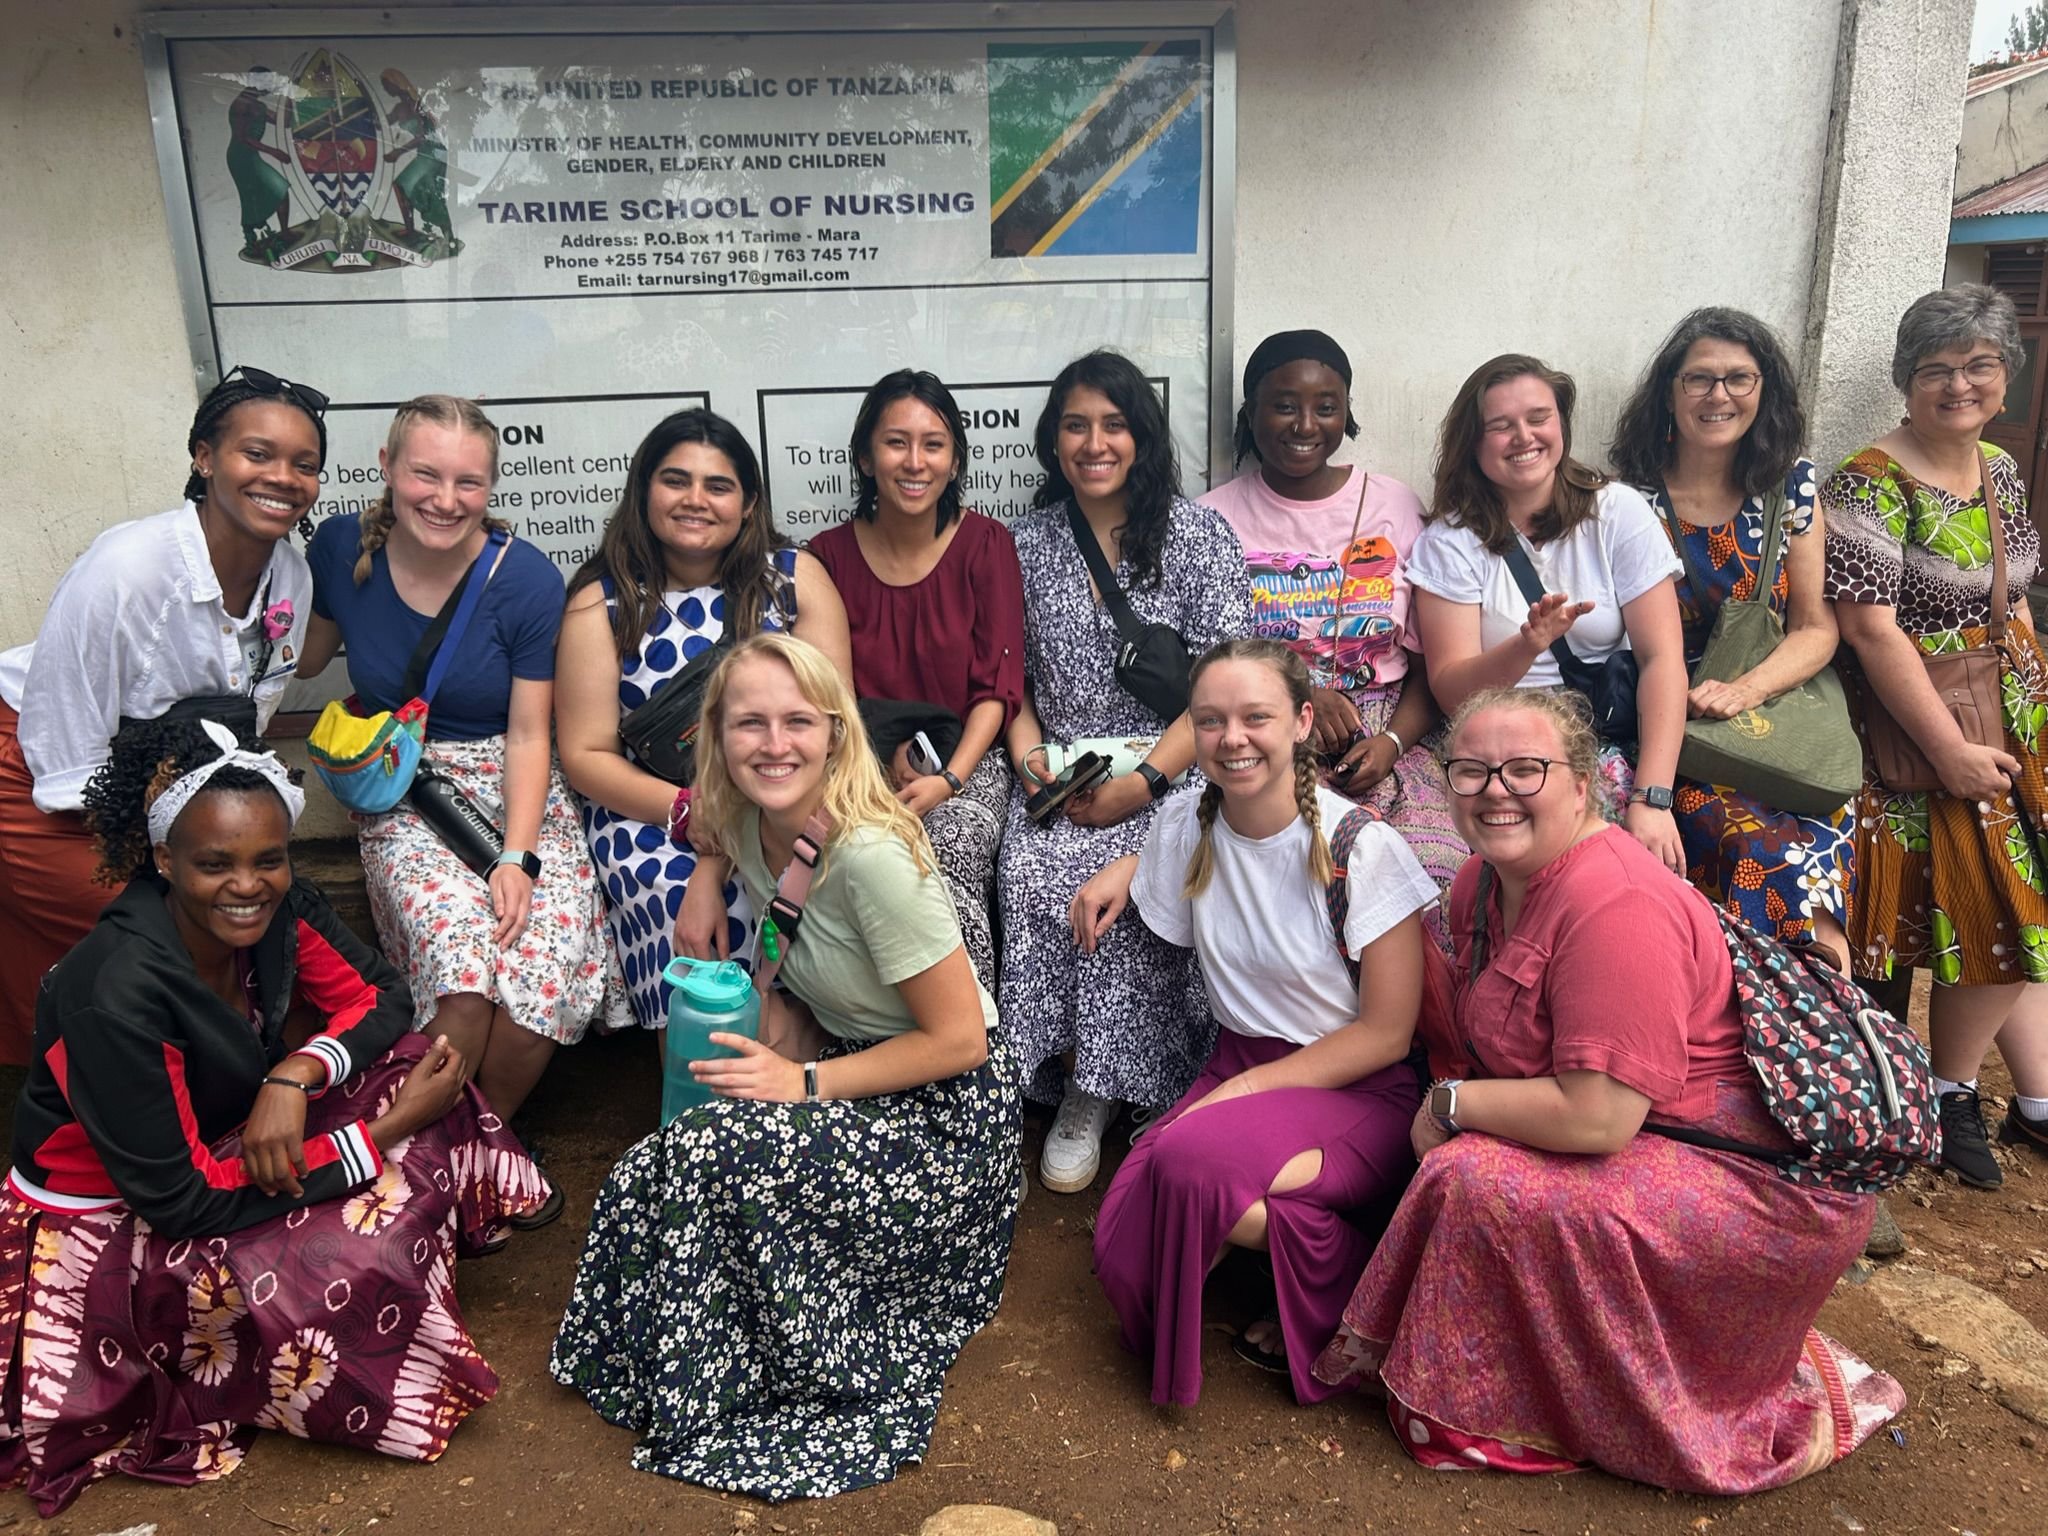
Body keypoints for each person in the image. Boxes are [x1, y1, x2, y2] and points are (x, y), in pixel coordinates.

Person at [1311, 687, 1903, 1492]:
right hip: (1666, 1140)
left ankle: (1536, 1409)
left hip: (1756, 1187)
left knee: (1471, 1175)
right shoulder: (1481, 885)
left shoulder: (1613, 900)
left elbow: (1599, 1116)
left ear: (1584, 783)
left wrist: (1449, 1105)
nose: (1495, 791)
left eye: (1526, 770)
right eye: (1472, 772)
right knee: (1469, 1166)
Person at [0, 715, 548, 1516]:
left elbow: (381, 1000)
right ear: (163, 861)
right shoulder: (116, 993)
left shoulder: (272, 913)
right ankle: (371, 1356)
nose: (247, 884)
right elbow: (183, 1200)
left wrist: (295, 1073)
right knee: (356, 1246)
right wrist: (379, 1136)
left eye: (268, 859)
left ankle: (404, 1270)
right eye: (215, 863)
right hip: (114, 1232)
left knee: (415, 1069)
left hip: (217, 1155)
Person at [554, 634, 1019, 1500]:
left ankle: (740, 1374)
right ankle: (705, 1354)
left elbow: (961, 1043)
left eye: (799, 722)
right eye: (750, 724)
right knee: (650, 1168)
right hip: (848, 1064)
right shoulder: (741, 815)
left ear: (836, 734)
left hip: (943, 1121)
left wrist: (800, 1084)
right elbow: (724, 838)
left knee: (707, 1155)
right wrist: (703, 876)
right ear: (716, 739)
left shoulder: (877, 859)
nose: (775, 744)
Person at [1078, 639, 1435, 1407]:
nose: (1232, 738)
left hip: (1357, 1085)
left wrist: (1243, 1094)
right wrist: (1129, 866)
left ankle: (1369, 1277)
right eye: (1210, 720)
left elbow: (1387, 1034)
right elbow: (1205, 865)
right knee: (1120, 1250)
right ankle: (1311, 1255)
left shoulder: (1362, 849)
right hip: (1239, 1063)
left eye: (1256, 717)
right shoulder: (1186, 822)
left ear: (1303, 721)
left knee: (1187, 1171)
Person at [302, 394, 621, 1142]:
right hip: (406, 785)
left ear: (491, 487)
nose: (446, 501)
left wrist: (517, 855)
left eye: (468, 483)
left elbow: (527, 732)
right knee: (464, 976)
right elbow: (304, 656)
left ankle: (470, 1155)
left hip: (515, 786)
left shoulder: (527, 581)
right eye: (425, 475)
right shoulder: (341, 548)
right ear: (385, 467)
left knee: (539, 966)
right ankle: (435, 1161)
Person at [0, 365, 324, 1066]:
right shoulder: (127, 569)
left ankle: (288, 1084)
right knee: (176, 924)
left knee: (273, 914)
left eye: (305, 464)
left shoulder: (291, 578)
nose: (283, 478)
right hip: (39, 779)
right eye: (258, 454)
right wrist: (169, 852)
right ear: (204, 457)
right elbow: (64, 759)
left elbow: (239, 736)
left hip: (161, 787)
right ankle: (158, 1103)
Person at [997, 350, 1255, 1194]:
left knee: (1148, 887)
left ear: (1141, 435)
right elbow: (1010, 684)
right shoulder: (1021, 545)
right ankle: (1064, 1082)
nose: (1094, 442)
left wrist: (1142, 785)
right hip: (1061, 773)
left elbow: (1225, 688)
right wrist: (1037, 767)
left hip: (1178, 763)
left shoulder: (1195, 537)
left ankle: (1113, 1085)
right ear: (1052, 439)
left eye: (1113, 424)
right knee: (1035, 872)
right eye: (1076, 425)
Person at [1823, 283, 2048, 1189]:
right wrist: (1949, 749)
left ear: (2007, 374)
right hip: (1922, 730)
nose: (1960, 383)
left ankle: (2010, 1095)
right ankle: (1945, 1090)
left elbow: (2016, 591)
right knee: (1993, 914)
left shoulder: (1997, 467)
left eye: (1981, 364)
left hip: (2013, 715)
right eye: (1937, 369)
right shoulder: (1867, 480)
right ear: (1904, 382)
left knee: (2014, 921)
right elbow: (1870, 630)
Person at [556, 408, 850, 1032]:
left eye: (718, 486)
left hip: (789, 799)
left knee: (807, 889)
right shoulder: (602, 601)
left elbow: (834, 727)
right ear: (643, 492)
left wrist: (724, 846)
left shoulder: (794, 582)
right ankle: (696, 1105)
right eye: (675, 481)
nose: (696, 500)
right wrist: (691, 815)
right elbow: (585, 754)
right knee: (674, 902)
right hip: (654, 812)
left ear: (748, 503)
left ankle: (798, 1089)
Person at [1612, 307, 1853, 967]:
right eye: (1699, 379)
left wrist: (1743, 691)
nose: (1719, 396)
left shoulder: (1790, 487)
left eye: (1739, 379)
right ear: (1669, 391)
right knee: (1747, 845)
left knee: (1816, 848)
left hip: (1770, 717)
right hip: (1666, 729)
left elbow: (1815, 625)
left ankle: (1829, 1031)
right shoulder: (1628, 496)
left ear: (1764, 390)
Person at [1201, 329, 1465, 920]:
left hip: (1391, 732)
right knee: (1306, 882)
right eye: (1285, 405)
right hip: (1270, 742)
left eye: (1326, 407)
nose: (1305, 424)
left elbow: (1428, 667)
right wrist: (1300, 693)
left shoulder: (1393, 503)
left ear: (1346, 414)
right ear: (1252, 413)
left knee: (1433, 874)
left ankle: (1417, 1014)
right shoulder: (1211, 520)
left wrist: (1393, 744)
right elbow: (1207, 666)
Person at [1409, 353, 1688, 870]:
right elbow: (1449, 688)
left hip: (1604, 740)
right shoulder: (1450, 541)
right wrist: (1526, 646)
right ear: (1473, 442)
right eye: (1500, 426)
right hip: (1495, 744)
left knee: (1617, 869)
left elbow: (1662, 660)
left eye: (1538, 418)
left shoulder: (1619, 512)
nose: (1524, 437)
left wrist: (1653, 798)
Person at [809, 370, 1026, 989]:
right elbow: (828, 695)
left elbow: (998, 689)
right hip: (857, 760)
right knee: (850, 858)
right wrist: (868, 776)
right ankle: (866, 1040)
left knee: (946, 852)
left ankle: (966, 1045)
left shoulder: (987, 545)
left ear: (956, 461)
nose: (914, 461)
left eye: (933, 444)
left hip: (968, 758)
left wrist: (950, 779)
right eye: (895, 442)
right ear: (864, 457)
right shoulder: (823, 557)